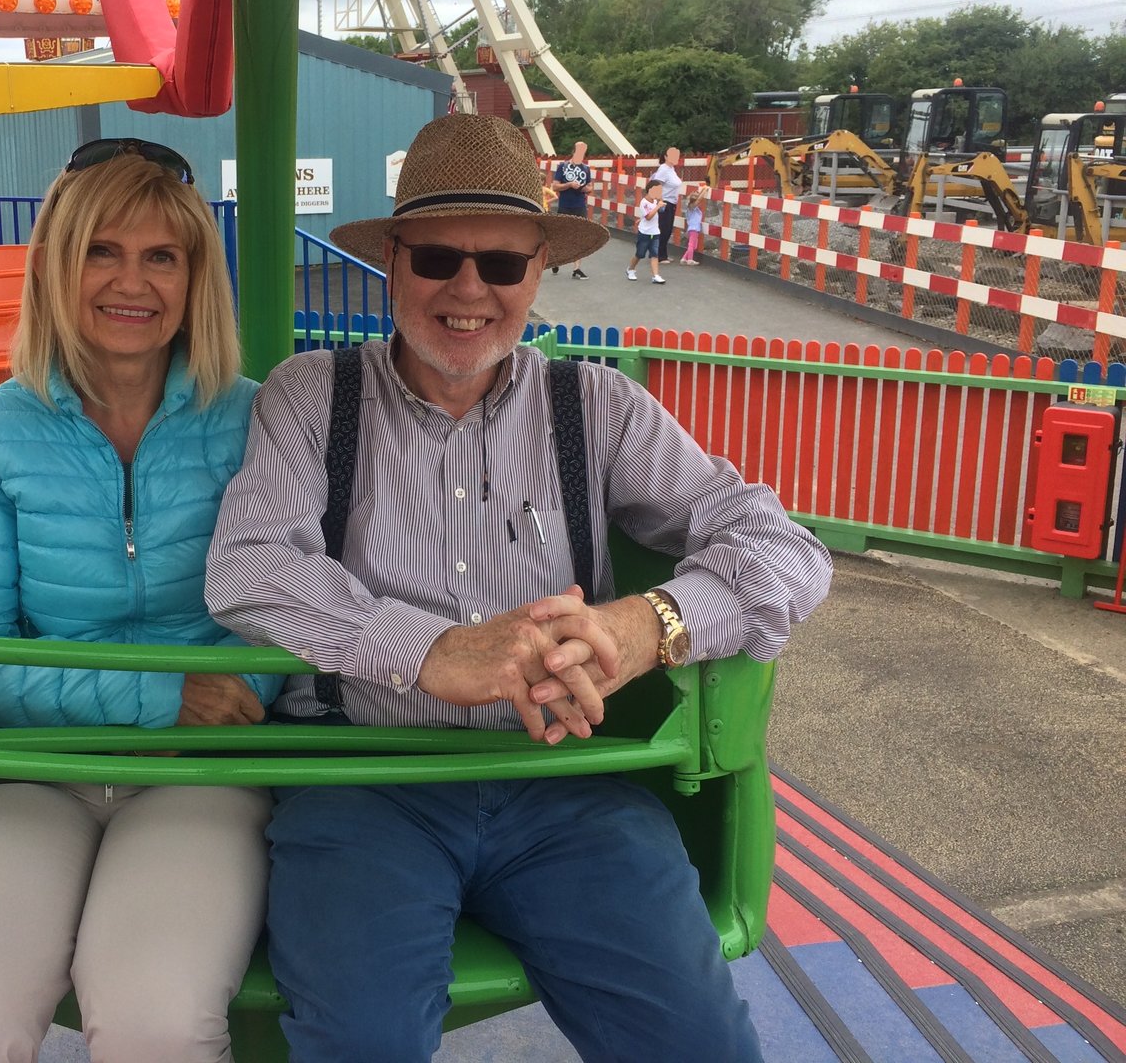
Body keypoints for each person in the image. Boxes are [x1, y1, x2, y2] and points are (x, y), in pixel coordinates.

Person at [206, 113, 832, 1063]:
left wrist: (648, 623)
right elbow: (250, 567)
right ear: (394, 261)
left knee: (697, 1043)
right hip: (368, 776)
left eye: (501, 266)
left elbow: (785, 549)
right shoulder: (311, 393)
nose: (468, 290)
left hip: (565, 785)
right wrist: (428, 651)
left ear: (538, 271)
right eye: (437, 259)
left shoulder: (598, 406)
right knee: (360, 1044)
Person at [0, 138, 281, 1063]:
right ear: (58, 268)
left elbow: (295, 611)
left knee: (158, 1028)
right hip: (31, 765)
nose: (129, 281)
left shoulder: (258, 419)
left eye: (160, 256)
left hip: (201, 772)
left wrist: (208, 706)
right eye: (101, 250)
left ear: (194, 279)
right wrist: (158, 696)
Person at [548, 139, 592, 279]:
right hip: (565, 205)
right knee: (562, 235)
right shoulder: (563, 166)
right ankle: (556, 260)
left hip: (580, 205)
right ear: (574, 151)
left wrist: (585, 188)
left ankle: (577, 268)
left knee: (579, 236)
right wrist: (569, 185)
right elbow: (555, 186)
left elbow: (590, 187)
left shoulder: (586, 169)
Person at [649, 145, 684, 263]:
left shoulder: (671, 169)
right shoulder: (663, 169)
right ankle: (658, 255)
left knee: (667, 229)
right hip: (665, 202)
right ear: (665, 156)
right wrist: (660, 201)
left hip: (672, 202)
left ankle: (662, 253)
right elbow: (657, 184)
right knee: (663, 229)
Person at [628, 179, 666, 283]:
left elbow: (662, 211)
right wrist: (657, 206)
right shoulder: (643, 202)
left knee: (655, 254)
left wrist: (660, 202)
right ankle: (631, 269)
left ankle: (655, 275)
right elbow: (648, 216)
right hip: (644, 232)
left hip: (655, 232)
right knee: (640, 254)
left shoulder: (655, 201)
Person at [681, 185, 707, 265]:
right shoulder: (692, 206)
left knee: (693, 245)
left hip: (693, 228)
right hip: (694, 228)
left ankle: (684, 258)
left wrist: (703, 189)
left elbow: (698, 199)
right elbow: (699, 199)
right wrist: (705, 189)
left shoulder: (691, 206)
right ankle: (690, 259)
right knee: (692, 245)